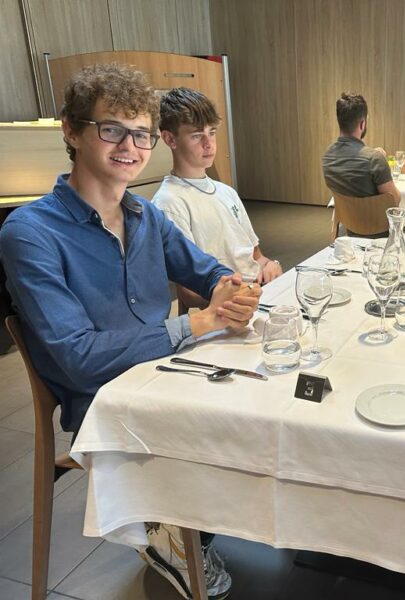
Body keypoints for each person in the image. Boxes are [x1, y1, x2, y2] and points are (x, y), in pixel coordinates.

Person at [0, 63, 258, 600]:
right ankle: (175, 530)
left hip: (170, 371)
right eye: (112, 129)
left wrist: (229, 287)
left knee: (273, 391)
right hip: (109, 404)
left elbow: (205, 270)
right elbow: (79, 358)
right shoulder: (30, 232)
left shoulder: (144, 215)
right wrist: (197, 321)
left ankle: (203, 522)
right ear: (72, 131)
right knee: (243, 417)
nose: (130, 146)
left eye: (141, 133)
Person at [153, 87, 283, 309]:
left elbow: (256, 257)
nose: (209, 143)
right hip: (225, 307)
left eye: (211, 132)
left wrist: (270, 265)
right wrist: (244, 292)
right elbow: (189, 294)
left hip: (259, 292)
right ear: (170, 139)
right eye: (197, 135)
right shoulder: (169, 203)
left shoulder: (226, 192)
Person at [322, 92, 400, 205]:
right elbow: (395, 200)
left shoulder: (327, 156)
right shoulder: (375, 159)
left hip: (344, 216)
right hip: (372, 217)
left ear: (340, 122)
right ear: (362, 124)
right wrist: (380, 160)